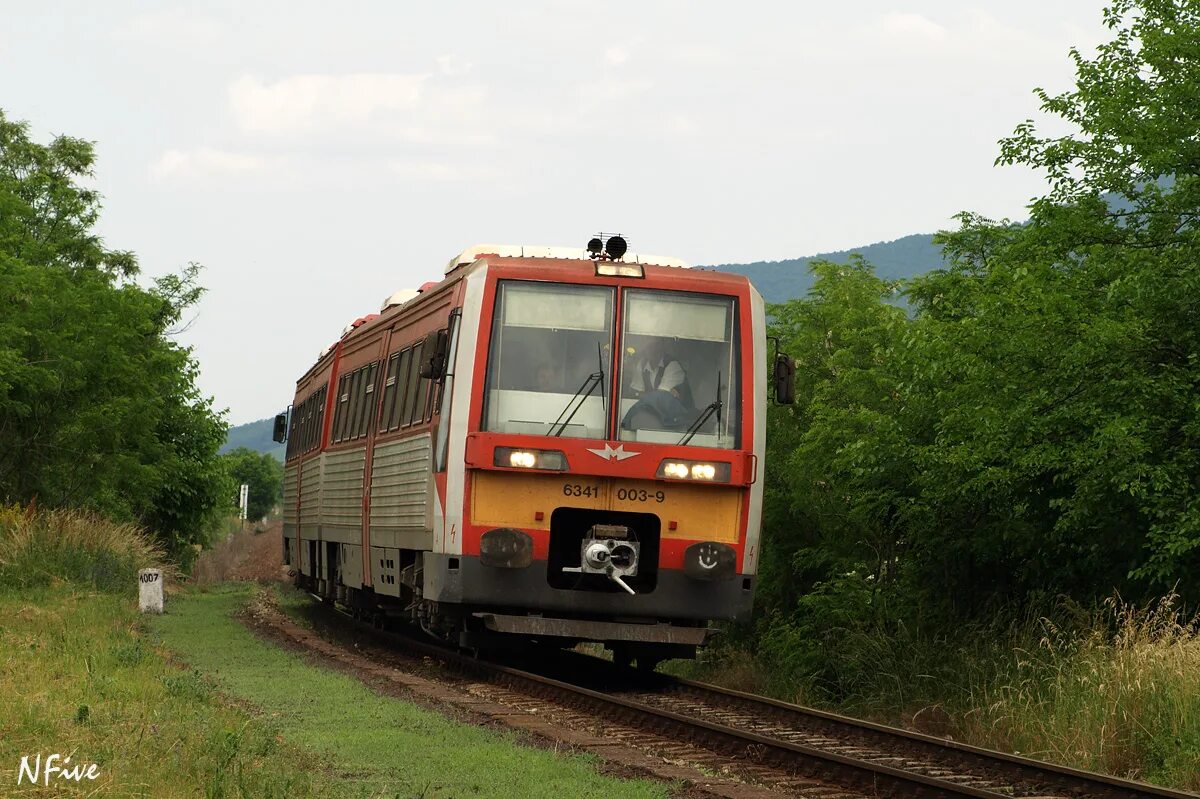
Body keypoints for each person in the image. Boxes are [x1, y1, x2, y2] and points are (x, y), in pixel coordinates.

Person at [623, 339, 694, 429]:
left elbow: (660, 399)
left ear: (662, 347)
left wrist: (642, 395)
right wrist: (640, 394)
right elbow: (634, 393)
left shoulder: (672, 365)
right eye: (648, 346)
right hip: (651, 419)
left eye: (655, 345)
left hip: (676, 424)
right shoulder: (642, 364)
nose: (651, 349)